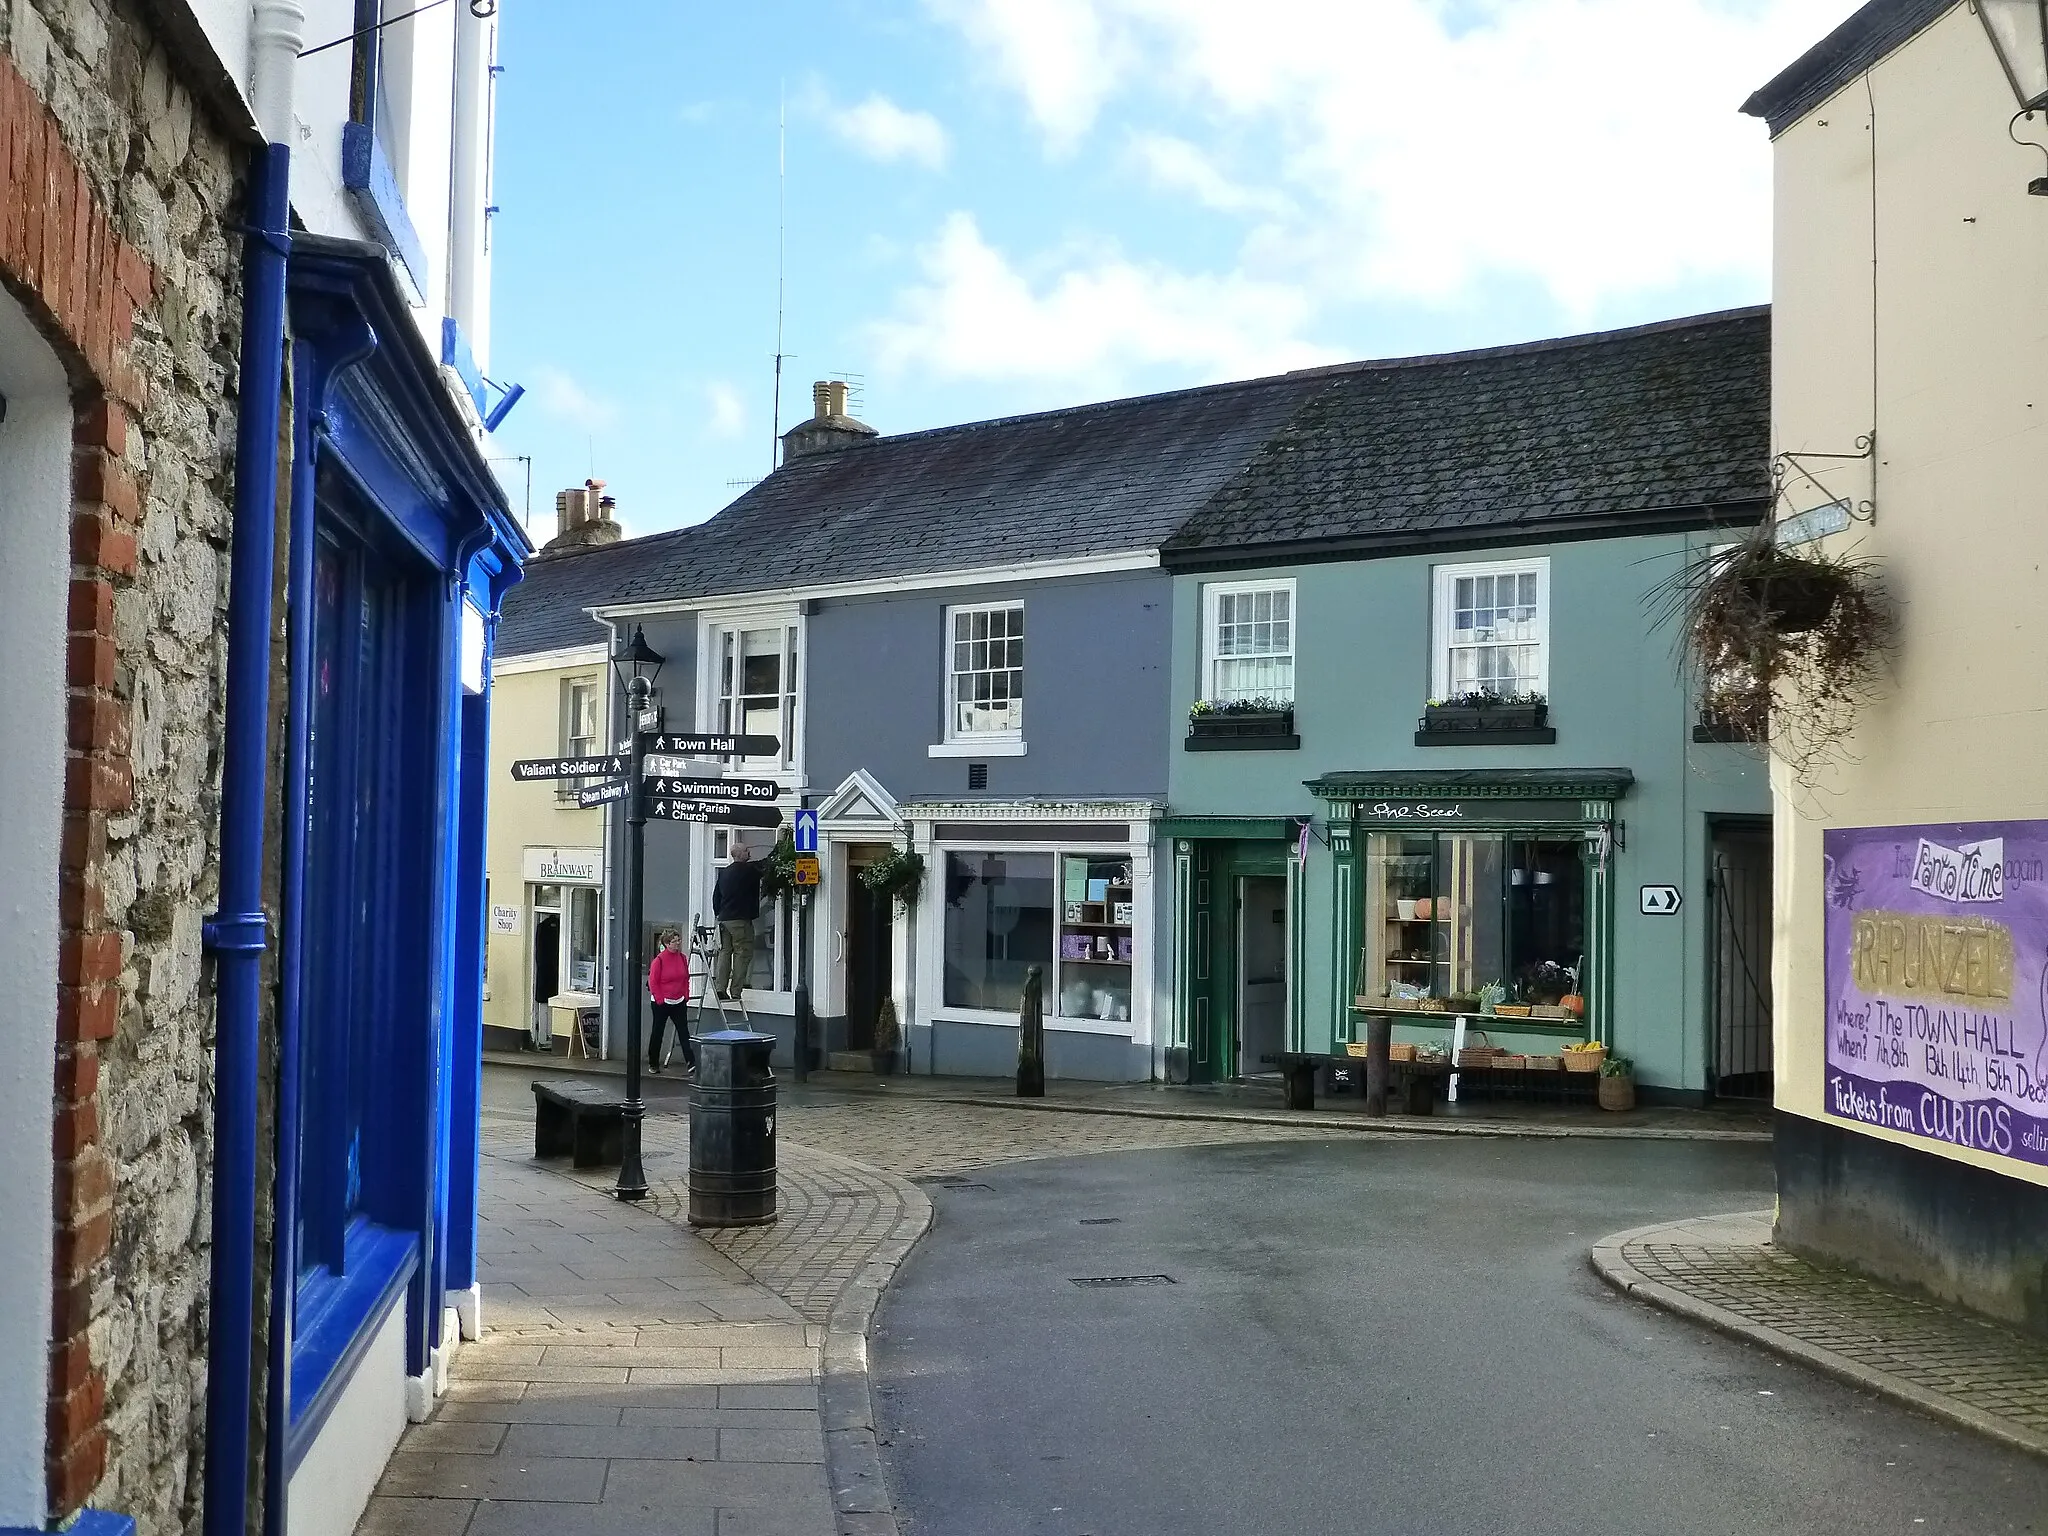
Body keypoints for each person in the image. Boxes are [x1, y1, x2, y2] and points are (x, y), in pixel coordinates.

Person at [712, 841, 765, 1000]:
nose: (749, 852)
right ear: (740, 854)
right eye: (747, 850)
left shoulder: (724, 872)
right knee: (742, 953)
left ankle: (720, 988)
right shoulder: (749, 870)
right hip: (740, 920)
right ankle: (736, 991)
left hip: (724, 920)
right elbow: (765, 865)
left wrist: (719, 915)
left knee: (724, 953)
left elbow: (716, 897)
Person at [647, 928, 694, 1075]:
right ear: (667, 943)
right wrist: (660, 1000)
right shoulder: (659, 960)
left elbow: (686, 978)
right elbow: (653, 982)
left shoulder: (682, 958)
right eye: (674, 941)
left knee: (684, 1032)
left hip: (678, 1001)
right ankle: (653, 1063)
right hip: (661, 1002)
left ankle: (691, 1063)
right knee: (658, 1032)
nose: (677, 944)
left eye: (678, 940)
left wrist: (686, 995)